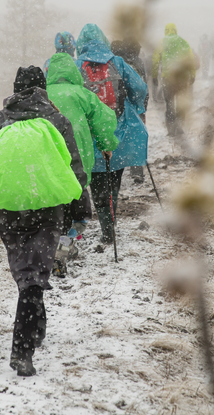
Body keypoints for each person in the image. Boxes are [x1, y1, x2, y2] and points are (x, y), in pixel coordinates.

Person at [0, 66, 86, 377]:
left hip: (7, 209)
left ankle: (36, 328)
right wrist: (79, 212)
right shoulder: (56, 120)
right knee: (34, 276)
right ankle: (22, 350)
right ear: (43, 90)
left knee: (27, 270)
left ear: (15, 89)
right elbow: (72, 166)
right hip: (48, 208)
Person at [74, 24, 148, 246]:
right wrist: (135, 106)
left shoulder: (77, 67)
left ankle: (106, 225)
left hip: (90, 135)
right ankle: (110, 222)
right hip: (119, 131)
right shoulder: (117, 62)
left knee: (97, 181)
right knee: (114, 177)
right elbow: (140, 87)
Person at [45, 52, 119, 269]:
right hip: (77, 152)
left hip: (47, 154)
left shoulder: (42, 94)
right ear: (72, 72)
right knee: (72, 196)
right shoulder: (81, 94)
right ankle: (64, 245)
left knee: (52, 200)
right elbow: (102, 120)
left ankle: (51, 245)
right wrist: (107, 145)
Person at [111, 38, 148, 184]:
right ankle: (137, 170)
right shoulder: (137, 62)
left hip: (117, 106)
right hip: (136, 105)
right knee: (136, 137)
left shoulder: (113, 63)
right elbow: (142, 85)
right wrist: (143, 106)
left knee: (117, 135)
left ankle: (116, 166)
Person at [152, 23, 198, 136]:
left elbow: (155, 60)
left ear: (166, 31)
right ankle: (180, 128)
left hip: (167, 78)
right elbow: (190, 59)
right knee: (180, 103)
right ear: (175, 30)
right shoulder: (183, 42)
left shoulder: (162, 42)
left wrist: (154, 75)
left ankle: (171, 130)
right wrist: (192, 74)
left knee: (169, 104)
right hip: (181, 78)